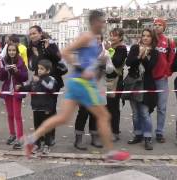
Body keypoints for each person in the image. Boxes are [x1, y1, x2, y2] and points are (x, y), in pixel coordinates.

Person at [24, 10, 130, 162]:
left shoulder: (96, 40)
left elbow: (92, 62)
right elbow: (65, 52)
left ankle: (31, 139)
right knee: (104, 115)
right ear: (95, 22)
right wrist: (81, 68)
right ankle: (111, 153)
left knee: (63, 117)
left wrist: (97, 66)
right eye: (102, 21)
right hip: (82, 83)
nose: (104, 24)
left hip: (76, 83)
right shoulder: (87, 37)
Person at [28, 25, 66, 146]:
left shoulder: (50, 44)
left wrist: (48, 48)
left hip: (52, 81)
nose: (32, 36)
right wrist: (35, 54)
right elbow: (33, 67)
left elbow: (57, 58)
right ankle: (40, 136)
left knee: (50, 110)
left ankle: (50, 136)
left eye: (34, 33)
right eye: (31, 34)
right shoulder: (31, 47)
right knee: (39, 110)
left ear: (40, 33)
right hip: (39, 82)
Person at [73, 34, 112, 150]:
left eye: (99, 39)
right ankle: (78, 138)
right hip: (85, 87)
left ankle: (94, 137)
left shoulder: (105, 53)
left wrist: (104, 63)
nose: (96, 41)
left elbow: (110, 70)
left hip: (98, 87)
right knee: (83, 113)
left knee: (95, 113)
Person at [125, 28, 158, 150]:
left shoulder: (154, 52)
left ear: (152, 38)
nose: (145, 38)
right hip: (133, 83)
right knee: (135, 114)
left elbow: (149, 68)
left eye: (148, 36)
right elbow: (128, 63)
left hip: (146, 85)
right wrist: (139, 55)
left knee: (144, 112)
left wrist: (144, 56)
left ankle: (148, 137)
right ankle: (138, 135)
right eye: (143, 35)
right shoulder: (134, 48)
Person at [16, 60, 57, 154]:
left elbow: (51, 88)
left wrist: (40, 80)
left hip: (47, 109)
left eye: (42, 69)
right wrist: (20, 88)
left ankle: (47, 145)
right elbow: (29, 87)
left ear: (48, 71)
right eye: (39, 68)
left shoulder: (51, 79)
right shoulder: (35, 79)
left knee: (47, 128)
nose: (39, 70)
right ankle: (37, 144)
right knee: (37, 127)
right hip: (36, 108)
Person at [0, 43, 28, 150]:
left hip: (16, 91)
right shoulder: (3, 61)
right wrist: (4, 70)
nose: (11, 52)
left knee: (17, 115)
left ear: (17, 51)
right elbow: (0, 77)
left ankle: (20, 138)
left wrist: (17, 71)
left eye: (13, 50)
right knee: (10, 115)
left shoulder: (20, 62)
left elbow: (25, 77)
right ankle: (12, 134)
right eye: (9, 50)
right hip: (7, 91)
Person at [152, 18, 176, 143]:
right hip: (149, 79)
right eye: (155, 24)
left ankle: (159, 132)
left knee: (161, 107)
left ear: (164, 27)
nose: (157, 26)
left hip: (162, 79)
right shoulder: (149, 39)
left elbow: (172, 59)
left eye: (159, 25)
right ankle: (144, 133)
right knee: (145, 107)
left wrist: (168, 72)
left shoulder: (169, 41)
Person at [105, 28, 127, 141]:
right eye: (111, 35)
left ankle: (115, 132)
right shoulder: (112, 48)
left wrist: (109, 51)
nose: (112, 38)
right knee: (107, 106)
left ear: (120, 37)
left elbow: (117, 62)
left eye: (115, 36)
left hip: (116, 81)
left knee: (113, 107)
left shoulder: (121, 49)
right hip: (107, 81)